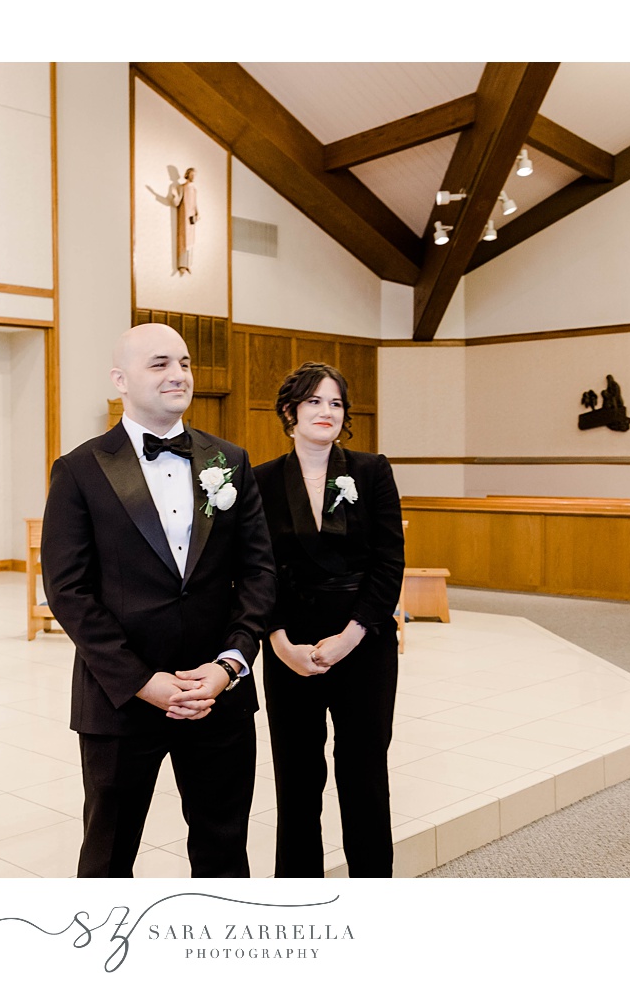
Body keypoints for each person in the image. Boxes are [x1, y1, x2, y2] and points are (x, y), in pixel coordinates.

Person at [41, 323, 276, 877]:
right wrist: (145, 681)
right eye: (160, 363)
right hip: (122, 699)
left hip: (216, 696)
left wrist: (228, 665)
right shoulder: (79, 470)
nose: (178, 375)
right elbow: (68, 591)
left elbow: (260, 575)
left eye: (186, 363)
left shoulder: (230, 461)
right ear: (120, 380)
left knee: (224, 849)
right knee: (108, 854)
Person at [252, 361, 404, 877]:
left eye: (336, 402)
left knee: (364, 773)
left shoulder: (371, 470)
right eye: (314, 401)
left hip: (364, 641)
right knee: (296, 780)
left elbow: (389, 562)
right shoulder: (261, 480)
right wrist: (278, 641)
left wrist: (352, 634)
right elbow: (256, 569)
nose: (326, 411)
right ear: (291, 412)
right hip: (291, 648)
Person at [170, 167, 198, 274]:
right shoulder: (183, 187)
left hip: (191, 217)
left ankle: (188, 264)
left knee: (191, 240)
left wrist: (197, 213)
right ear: (188, 175)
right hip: (183, 216)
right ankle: (182, 264)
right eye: (192, 175)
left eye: (195, 175)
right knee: (183, 239)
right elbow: (177, 202)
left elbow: (195, 204)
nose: (194, 177)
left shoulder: (194, 189)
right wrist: (175, 195)